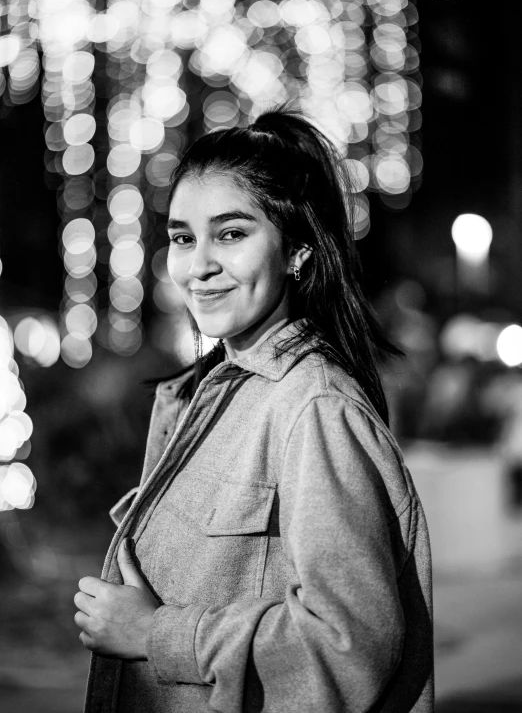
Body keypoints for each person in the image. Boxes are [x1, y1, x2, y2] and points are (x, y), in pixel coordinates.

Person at [75, 108, 434, 713]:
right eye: (185, 238)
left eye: (233, 233)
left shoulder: (315, 409)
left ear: (297, 251)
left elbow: (348, 649)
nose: (201, 264)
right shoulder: (213, 393)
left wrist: (154, 633)